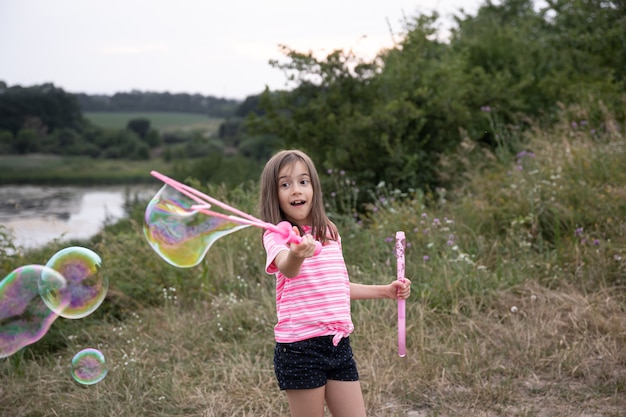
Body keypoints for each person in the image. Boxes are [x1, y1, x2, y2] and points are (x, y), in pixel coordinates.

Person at [258, 149, 411, 417]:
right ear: (274, 193)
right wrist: (296, 254)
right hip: (300, 348)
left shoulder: (328, 231)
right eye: (285, 184)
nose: (296, 190)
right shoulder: (277, 235)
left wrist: (385, 291)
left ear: (314, 187)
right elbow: (287, 268)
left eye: (303, 182)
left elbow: (336, 287)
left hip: (338, 344)